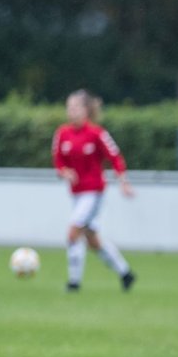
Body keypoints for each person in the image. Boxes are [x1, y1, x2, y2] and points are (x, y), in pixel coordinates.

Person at [51, 89, 136, 292]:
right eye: (68, 107)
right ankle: (126, 273)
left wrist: (123, 181)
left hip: (94, 193)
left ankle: (73, 283)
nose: (71, 111)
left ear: (86, 110)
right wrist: (65, 173)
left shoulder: (97, 133)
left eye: (75, 107)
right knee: (93, 241)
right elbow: (58, 163)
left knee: (73, 233)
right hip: (76, 194)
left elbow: (115, 157)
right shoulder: (62, 133)